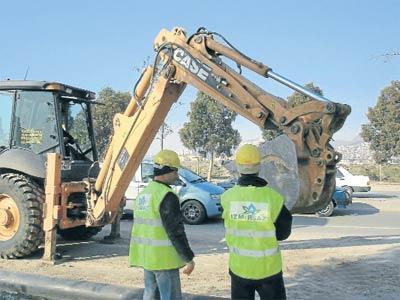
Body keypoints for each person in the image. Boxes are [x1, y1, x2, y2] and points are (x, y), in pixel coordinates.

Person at [221, 144, 292, 300]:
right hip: (268, 271)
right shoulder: (273, 198)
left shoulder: (227, 198)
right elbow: (283, 234)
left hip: (239, 269)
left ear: (238, 167)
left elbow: (230, 226)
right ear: (259, 166)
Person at [129, 149, 195, 300]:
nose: (177, 175)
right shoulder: (167, 196)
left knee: (150, 296)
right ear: (166, 171)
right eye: (175, 171)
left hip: (148, 259)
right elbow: (175, 231)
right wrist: (188, 258)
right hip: (164, 261)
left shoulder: (144, 194)